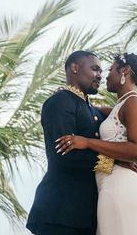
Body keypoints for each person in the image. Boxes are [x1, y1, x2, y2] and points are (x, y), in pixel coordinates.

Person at [56, 52, 137, 235]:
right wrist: (67, 93)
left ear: (124, 71)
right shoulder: (121, 105)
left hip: (121, 187)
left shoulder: (133, 101)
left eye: (110, 70)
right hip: (113, 186)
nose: (105, 75)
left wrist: (87, 142)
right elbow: (89, 110)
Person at [26, 50, 105, 235]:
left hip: (85, 214)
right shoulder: (60, 101)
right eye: (95, 69)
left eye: (101, 71)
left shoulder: (90, 109)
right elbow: (65, 154)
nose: (100, 75)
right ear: (75, 68)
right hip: (59, 211)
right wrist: (113, 163)